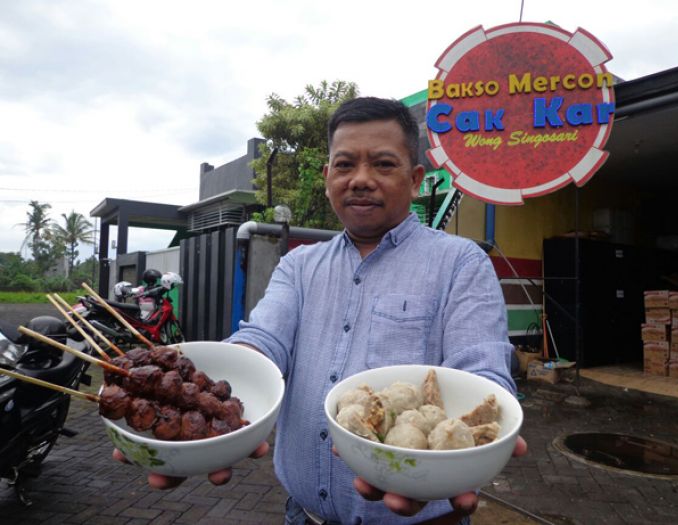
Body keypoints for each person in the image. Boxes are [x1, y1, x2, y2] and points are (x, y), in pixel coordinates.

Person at [121, 96, 526, 524]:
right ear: (328, 175)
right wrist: (199, 397)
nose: (361, 179)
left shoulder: (460, 264)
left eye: (384, 164)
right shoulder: (299, 265)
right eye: (346, 164)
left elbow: (481, 377)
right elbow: (261, 343)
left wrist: (475, 448)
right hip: (303, 515)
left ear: (416, 180)